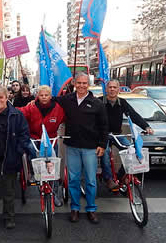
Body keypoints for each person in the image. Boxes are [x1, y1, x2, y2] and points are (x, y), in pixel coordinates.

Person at [55, 72, 108, 224]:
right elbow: (50, 101)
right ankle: (75, 208)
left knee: (91, 180)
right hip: (72, 146)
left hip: (90, 148)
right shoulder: (67, 100)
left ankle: (91, 209)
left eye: (84, 83)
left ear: (88, 85)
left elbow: (104, 126)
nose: (81, 86)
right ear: (74, 84)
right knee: (73, 180)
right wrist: (35, 101)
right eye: (79, 83)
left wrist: (102, 145)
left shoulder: (97, 103)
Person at [0, 85, 32, 232]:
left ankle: (9, 218)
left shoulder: (16, 114)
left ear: (7, 97)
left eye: (1, 97)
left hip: (9, 158)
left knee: (9, 191)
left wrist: (18, 151)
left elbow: (24, 135)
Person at [98, 80, 153, 188]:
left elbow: (133, 115)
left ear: (118, 90)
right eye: (110, 87)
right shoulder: (99, 102)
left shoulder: (122, 102)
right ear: (106, 89)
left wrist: (146, 127)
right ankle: (108, 179)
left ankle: (120, 175)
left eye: (115, 87)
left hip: (117, 135)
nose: (112, 89)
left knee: (131, 151)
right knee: (105, 156)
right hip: (102, 135)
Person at [18, 85, 65, 207]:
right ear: (37, 96)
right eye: (41, 95)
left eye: (46, 95)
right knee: (29, 147)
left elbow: (69, 118)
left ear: (50, 96)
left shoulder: (58, 109)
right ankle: (35, 170)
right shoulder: (31, 107)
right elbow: (19, 112)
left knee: (52, 168)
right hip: (34, 136)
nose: (44, 97)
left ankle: (54, 194)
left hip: (50, 139)